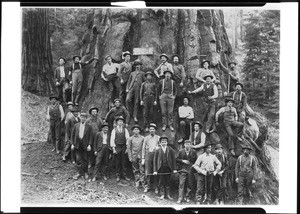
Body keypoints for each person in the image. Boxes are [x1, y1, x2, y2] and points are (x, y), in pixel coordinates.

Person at [71, 112, 94, 180]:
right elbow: (72, 135)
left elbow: (91, 136)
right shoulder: (76, 125)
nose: (83, 119)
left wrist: (89, 145)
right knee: (78, 159)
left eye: (84, 117)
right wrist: (72, 144)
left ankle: (86, 172)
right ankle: (79, 173)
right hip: (77, 144)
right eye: (81, 117)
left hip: (85, 145)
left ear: (86, 118)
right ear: (80, 118)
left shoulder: (89, 127)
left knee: (85, 159)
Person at [153, 135, 177, 200]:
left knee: (168, 181)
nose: (164, 142)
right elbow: (155, 161)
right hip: (160, 168)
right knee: (161, 181)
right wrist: (155, 170)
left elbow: (173, 160)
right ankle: (162, 194)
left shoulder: (170, 150)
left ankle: (168, 194)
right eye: (162, 141)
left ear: (167, 142)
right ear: (160, 143)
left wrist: (174, 169)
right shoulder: (157, 150)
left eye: (165, 141)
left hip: (168, 168)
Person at [141, 123, 160, 193]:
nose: (152, 130)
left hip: (156, 156)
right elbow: (143, 148)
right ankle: (147, 186)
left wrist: (158, 148)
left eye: (153, 129)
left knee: (155, 171)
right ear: (149, 130)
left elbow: (161, 147)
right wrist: (143, 158)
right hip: (148, 155)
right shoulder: (146, 138)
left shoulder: (158, 138)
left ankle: (156, 187)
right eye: (150, 129)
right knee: (148, 172)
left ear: (155, 130)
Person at [110, 116, 130, 181]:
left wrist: (127, 148)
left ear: (123, 123)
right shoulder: (114, 130)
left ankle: (124, 175)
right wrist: (113, 148)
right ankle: (118, 175)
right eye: (119, 121)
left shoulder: (125, 130)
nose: (120, 122)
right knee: (117, 161)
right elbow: (112, 139)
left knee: (124, 161)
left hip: (124, 146)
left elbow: (128, 139)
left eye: (121, 121)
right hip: (117, 146)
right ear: (117, 122)